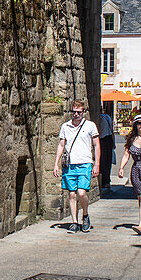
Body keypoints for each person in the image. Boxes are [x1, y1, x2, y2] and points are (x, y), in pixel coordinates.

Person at [53, 100, 100, 233]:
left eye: (79, 112)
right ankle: (74, 221)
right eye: (74, 112)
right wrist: (56, 163)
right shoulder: (65, 126)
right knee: (72, 194)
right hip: (70, 165)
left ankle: (85, 215)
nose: (76, 114)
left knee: (81, 192)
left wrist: (96, 164)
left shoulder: (90, 126)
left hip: (85, 163)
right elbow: (61, 145)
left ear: (83, 112)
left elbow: (96, 145)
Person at [98, 109, 115, 190]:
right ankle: (107, 180)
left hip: (103, 139)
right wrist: (113, 142)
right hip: (109, 139)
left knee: (103, 162)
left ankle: (104, 181)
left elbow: (100, 132)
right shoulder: (107, 117)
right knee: (108, 162)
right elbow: (112, 130)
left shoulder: (100, 118)